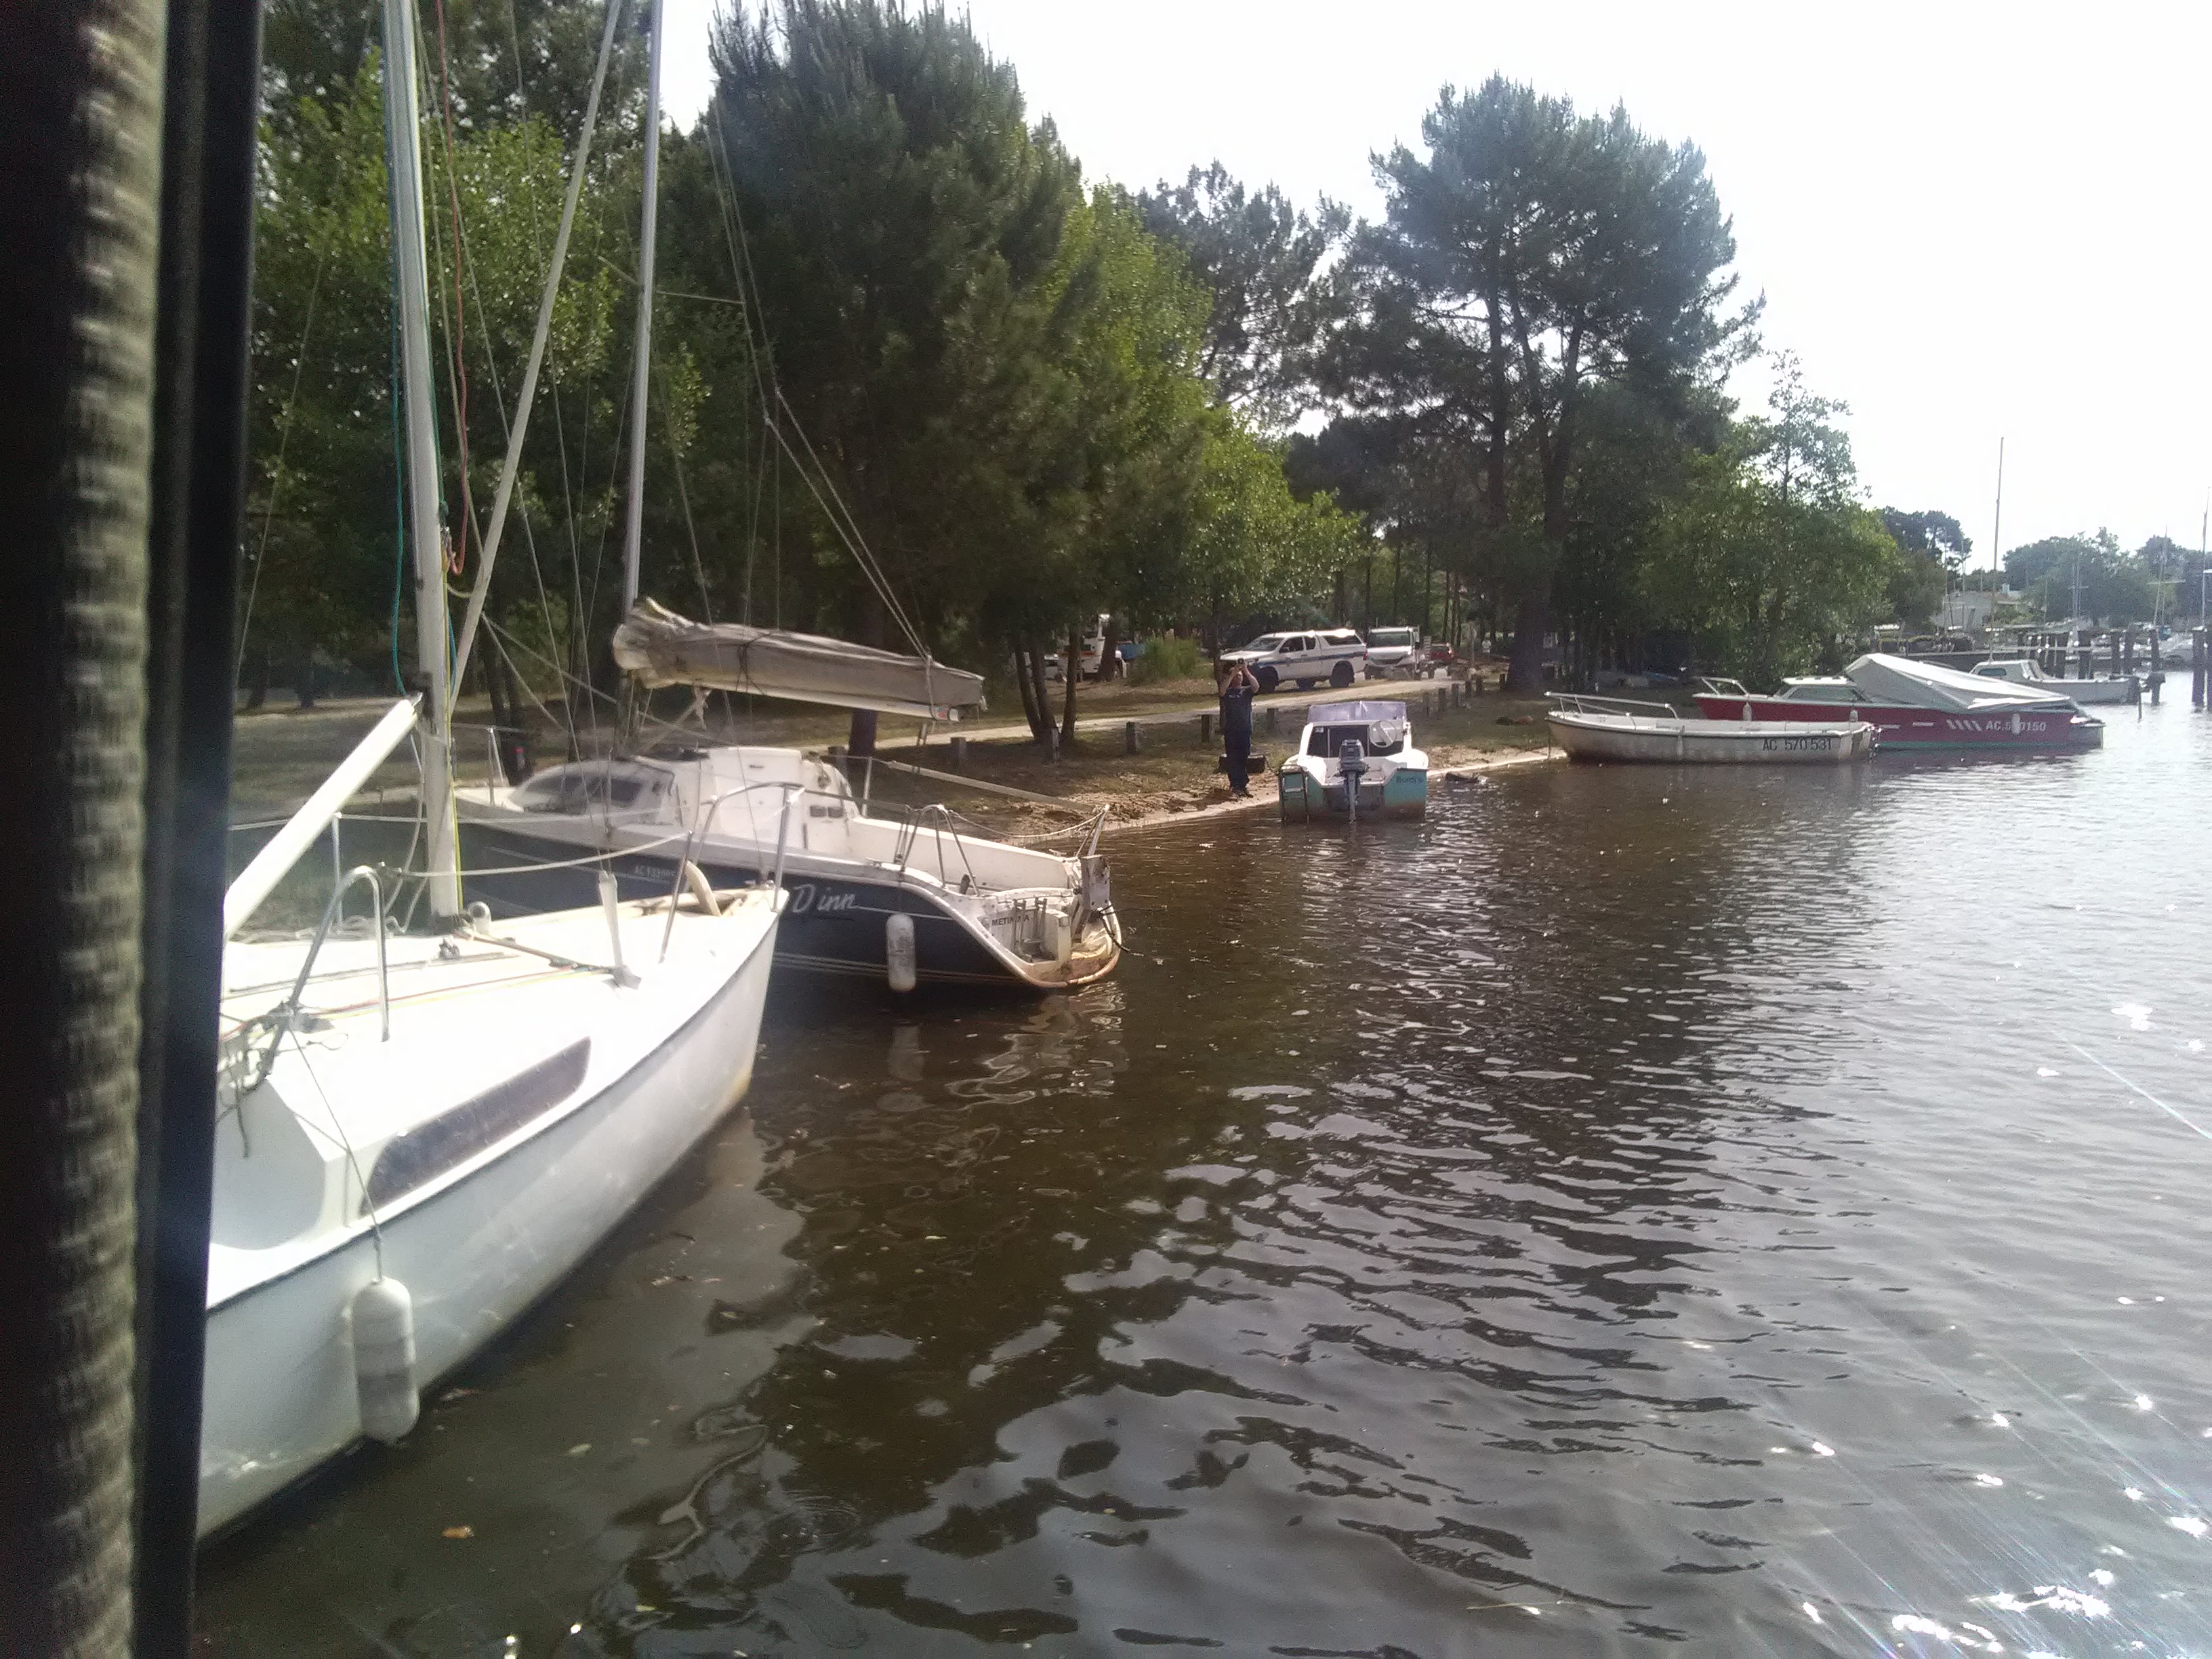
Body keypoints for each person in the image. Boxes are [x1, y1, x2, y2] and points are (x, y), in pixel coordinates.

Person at [1217, 659, 1258, 798]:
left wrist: (1246, 671)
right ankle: (1235, 785)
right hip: (1231, 731)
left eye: (1240, 676)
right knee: (1233, 758)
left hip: (1245, 730)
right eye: (1236, 676)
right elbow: (1221, 691)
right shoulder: (1228, 693)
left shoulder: (1246, 692)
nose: (1238, 678)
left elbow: (1256, 686)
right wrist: (1232, 673)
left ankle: (1243, 785)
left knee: (1243, 757)